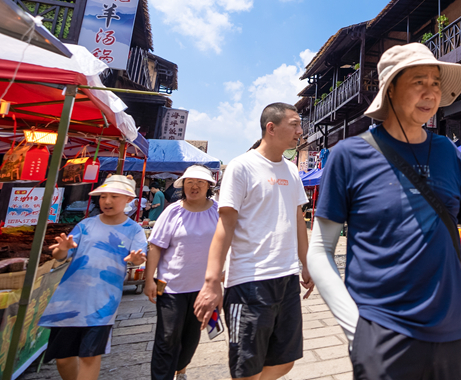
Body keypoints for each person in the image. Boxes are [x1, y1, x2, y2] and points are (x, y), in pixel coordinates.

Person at [308, 43, 461, 380]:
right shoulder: (349, 156)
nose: (431, 92)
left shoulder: (448, 152)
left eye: (435, 83)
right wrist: (355, 329)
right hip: (381, 332)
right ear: (390, 90)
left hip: (450, 331)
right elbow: (320, 250)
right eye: (418, 81)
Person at [193, 103, 314, 380]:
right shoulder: (242, 166)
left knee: (285, 360)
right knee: (247, 367)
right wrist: (212, 282)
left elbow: (298, 219)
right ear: (271, 128)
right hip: (249, 281)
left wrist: (306, 263)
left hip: (286, 278)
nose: (300, 131)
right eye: (294, 124)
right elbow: (225, 225)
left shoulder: (291, 170)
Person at [39, 175, 147, 380]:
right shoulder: (86, 225)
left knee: (90, 356)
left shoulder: (135, 230)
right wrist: (62, 249)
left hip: (102, 302)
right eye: (103, 196)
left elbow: (138, 258)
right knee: (63, 358)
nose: (107, 201)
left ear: (128, 199)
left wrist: (136, 259)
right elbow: (61, 256)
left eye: (114, 196)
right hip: (69, 299)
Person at [145, 165, 220, 380]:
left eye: (200, 182)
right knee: (167, 336)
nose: (194, 186)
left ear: (208, 186)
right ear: (183, 185)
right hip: (168, 285)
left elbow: (227, 244)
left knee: (191, 338)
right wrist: (149, 280)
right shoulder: (172, 211)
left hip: (203, 288)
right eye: (190, 182)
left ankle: (181, 369)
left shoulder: (217, 211)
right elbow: (156, 246)